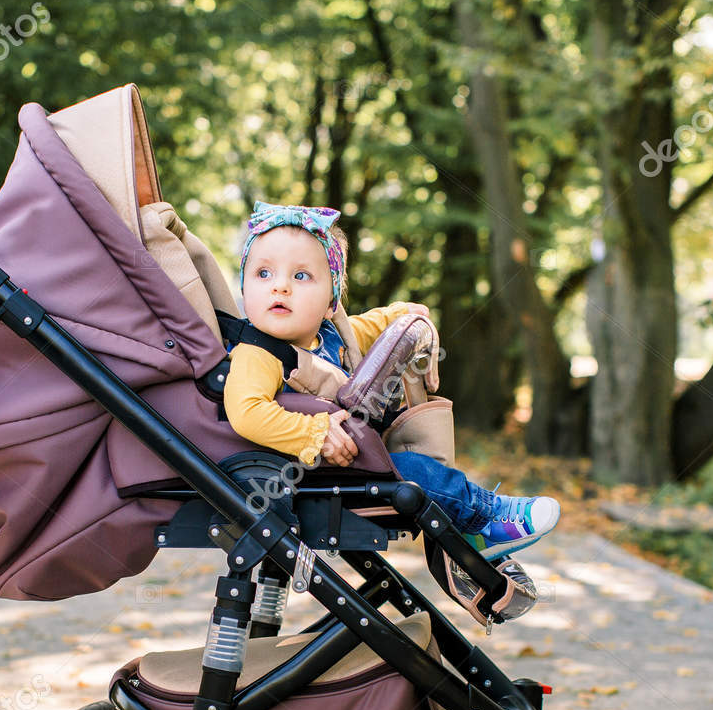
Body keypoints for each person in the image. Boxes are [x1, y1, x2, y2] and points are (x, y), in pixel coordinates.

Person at [223, 200, 559, 559]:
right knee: (413, 472)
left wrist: (407, 315)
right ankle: (486, 518)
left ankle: (467, 530)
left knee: (413, 460)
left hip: (354, 458)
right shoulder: (256, 353)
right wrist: (314, 434)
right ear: (244, 288)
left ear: (331, 303)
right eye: (263, 274)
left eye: (300, 276)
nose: (280, 287)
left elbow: (377, 323)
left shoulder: (331, 335)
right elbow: (246, 411)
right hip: (305, 473)